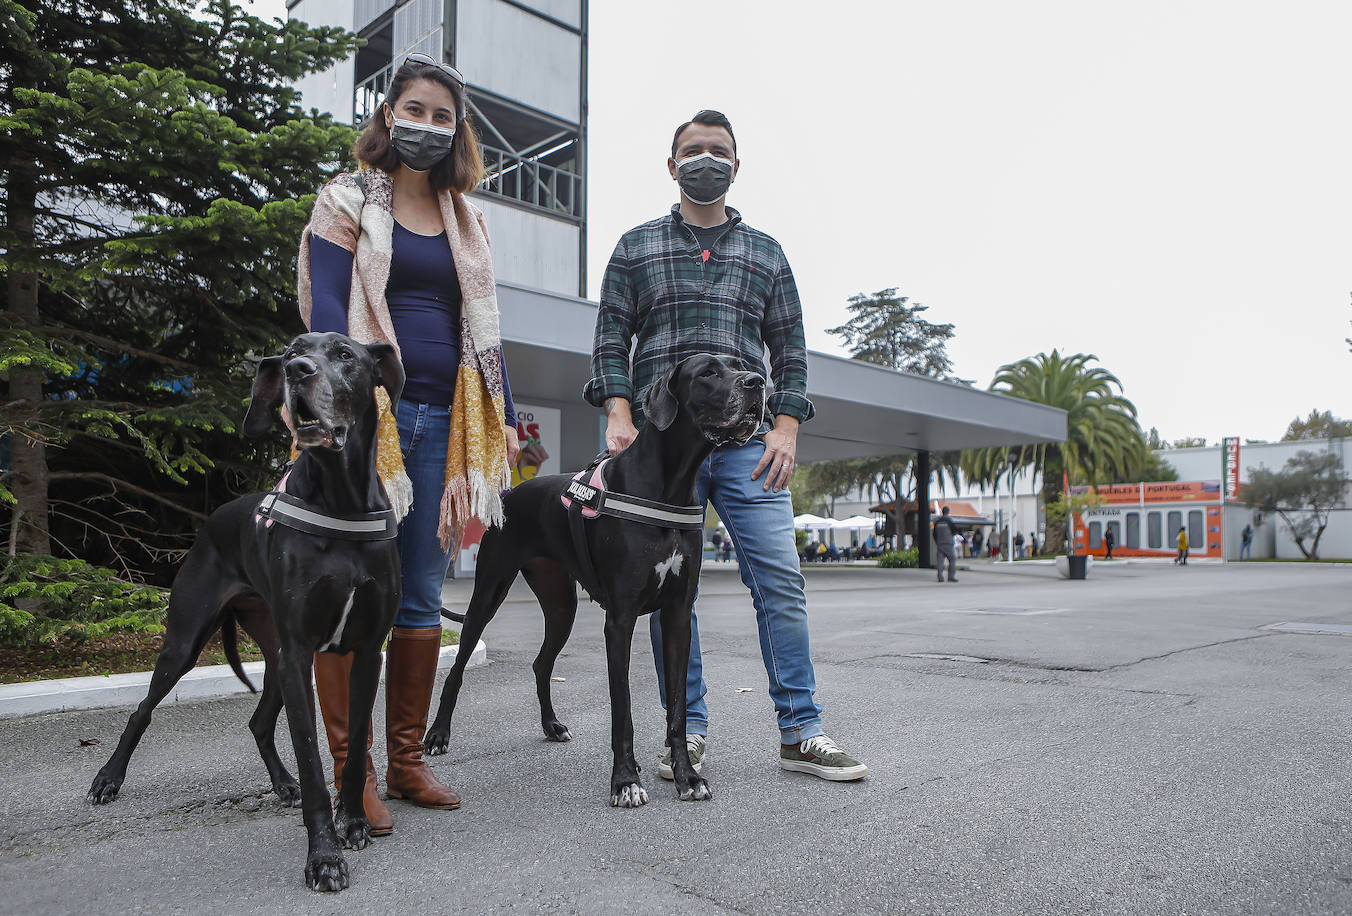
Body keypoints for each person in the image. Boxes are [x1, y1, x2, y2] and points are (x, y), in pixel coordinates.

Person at [584, 109, 866, 782]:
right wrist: (619, 413)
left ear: (735, 168)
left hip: (746, 447)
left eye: (718, 152)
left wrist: (787, 426)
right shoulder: (636, 246)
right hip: (658, 451)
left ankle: (801, 731)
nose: (704, 160)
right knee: (664, 595)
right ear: (671, 163)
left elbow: (790, 349)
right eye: (693, 150)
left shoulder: (766, 253)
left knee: (780, 582)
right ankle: (687, 735)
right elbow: (610, 338)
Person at [298, 54, 522, 833]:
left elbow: (482, 329)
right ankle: (347, 769)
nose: (427, 124)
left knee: (421, 592)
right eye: (414, 109)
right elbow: (328, 311)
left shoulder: (467, 217)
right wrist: (332, 412)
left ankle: (405, 759)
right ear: (387, 113)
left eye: (442, 114)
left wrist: (506, 414)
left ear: (457, 128)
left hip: (446, 424)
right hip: (366, 431)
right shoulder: (347, 199)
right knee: (348, 596)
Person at [931, 506, 960, 583]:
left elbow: (934, 534)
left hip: (940, 544)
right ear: (948, 512)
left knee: (940, 561)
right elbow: (955, 531)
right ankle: (951, 577)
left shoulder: (937, 522)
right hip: (948, 543)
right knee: (952, 559)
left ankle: (940, 577)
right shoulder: (949, 521)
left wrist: (937, 542)